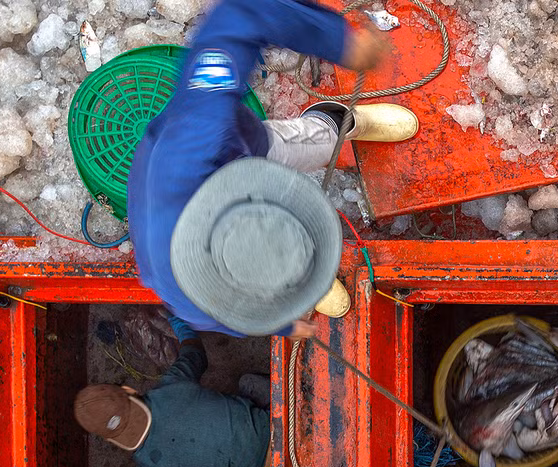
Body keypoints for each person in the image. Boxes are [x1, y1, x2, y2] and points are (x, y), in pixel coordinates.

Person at [128, 0, 419, 339]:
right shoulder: (189, 295)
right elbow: (231, 317)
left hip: (238, 149)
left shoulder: (198, 134)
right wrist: (283, 322)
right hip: (218, 175)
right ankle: (302, 277)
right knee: (289, 271)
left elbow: (241, 14)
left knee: (312, 144)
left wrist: (340, 42)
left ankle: (345, 122)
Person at [74, 315, 272, 467]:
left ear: (113, 439)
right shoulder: (172, 384)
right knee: (247, 383)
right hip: (276, 424)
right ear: (128, 390)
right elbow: (195, 353)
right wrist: (177, 321)